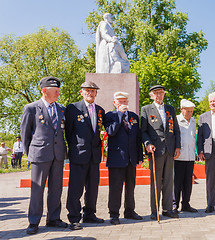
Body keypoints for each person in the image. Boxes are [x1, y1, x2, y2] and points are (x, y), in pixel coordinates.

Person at [21, 76, 68, 235]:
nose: (58, 94)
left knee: (56, 188)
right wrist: (32, 153)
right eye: (56, 91)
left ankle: (53, 218)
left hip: (58, 155)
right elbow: (25, 135)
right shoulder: (32, 108)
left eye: (59, 91)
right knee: (37, 189)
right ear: (44, 91)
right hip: (39, 155)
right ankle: (34, 221)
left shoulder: (61, 109)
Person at [65, 82, 106, 231]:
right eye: (87, 90)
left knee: (92, 187)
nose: (90, 93)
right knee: (76, 188)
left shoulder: (100, 110)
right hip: (79, 154)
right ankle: (74, 218)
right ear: (81, 92)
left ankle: (89, 214)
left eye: (93, 91)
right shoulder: (73, 108)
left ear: (96, 93)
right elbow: (68, 132)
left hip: (94, 156)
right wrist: (75, 148)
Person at [141, 85, 181, 220]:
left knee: (169, 181)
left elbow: (176, 130)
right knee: (156, 181)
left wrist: (178, 147)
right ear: (152, 95)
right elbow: (143, 131)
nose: (159, 95)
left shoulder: (170, 109)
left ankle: (168, 208)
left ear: (164, 94)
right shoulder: (146, 109)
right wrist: (147, 144)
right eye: (156, 93)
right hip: (155, 150)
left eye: (161, 93)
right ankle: (155, 210)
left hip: (170, 149)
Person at [105, 92, 143, 225]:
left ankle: (130, 211)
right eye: (120, 101)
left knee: (130, 187)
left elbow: (137, 138)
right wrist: (120, 115)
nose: (123, 104)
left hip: (131, 158)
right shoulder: (110, 115)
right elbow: (111, 131)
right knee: (115, 188)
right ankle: (114, 214)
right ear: (115, 103)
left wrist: (139, 156)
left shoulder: (134, 117)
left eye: (125, 101)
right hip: (116, 158)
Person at [174, 99, 198, 213]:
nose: (189, 113)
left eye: (191, 111)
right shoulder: (176, 120)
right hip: (179, 156)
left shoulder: (193, 121)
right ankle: (174, 205)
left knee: (188, 183)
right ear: (181, 110)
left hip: (190, 156)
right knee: (177, 182)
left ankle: (186, 204)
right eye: (187, 111)